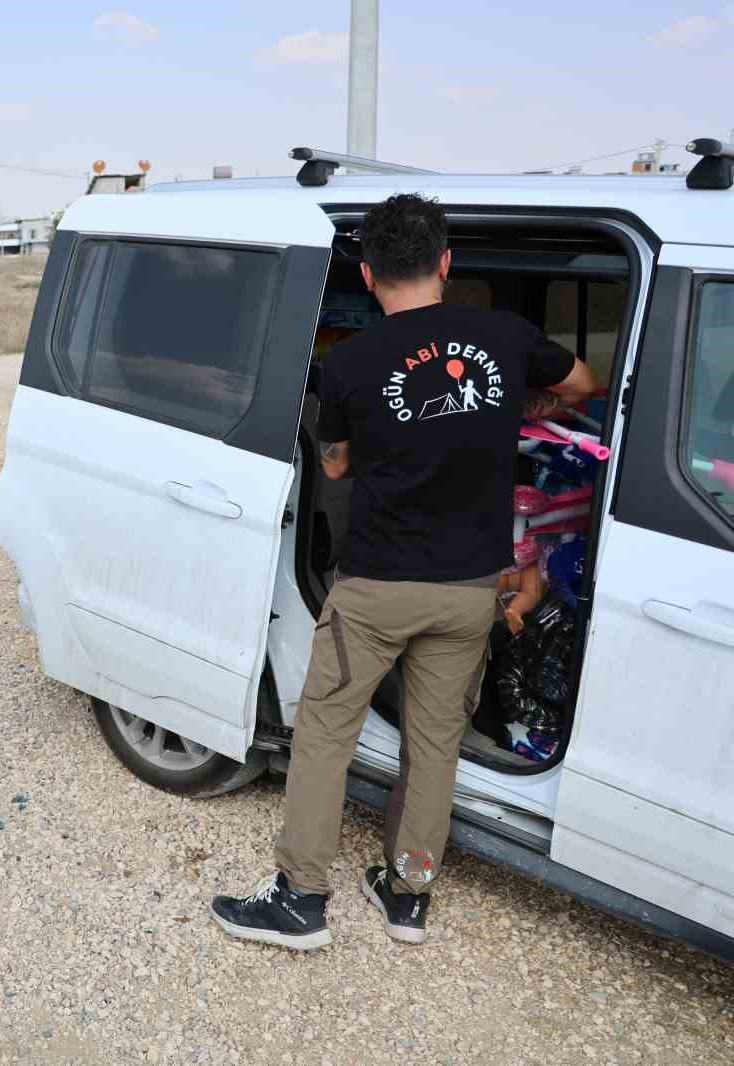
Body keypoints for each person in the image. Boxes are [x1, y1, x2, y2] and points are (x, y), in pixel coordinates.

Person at [211, 193, 596, 948]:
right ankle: (409, 890)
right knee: (435, 743)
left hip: (379, 587)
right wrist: (507, 408)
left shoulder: (349, 363)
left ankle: (300, 899)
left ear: (366, 272)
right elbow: (581, 384)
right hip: (469, 591)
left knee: (325, 733)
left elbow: (337, 462)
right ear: (446, 261)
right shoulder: (506, 336)